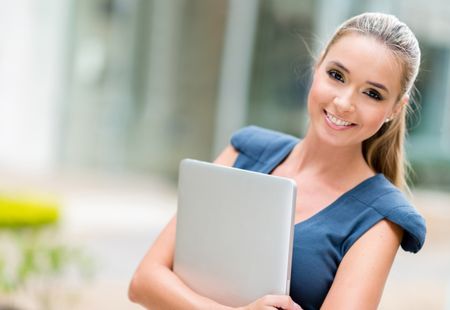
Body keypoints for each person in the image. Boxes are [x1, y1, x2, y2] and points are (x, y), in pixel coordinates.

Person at [128, 12, 426, 310]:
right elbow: (144, 282)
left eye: (372, 93)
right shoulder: (245, 152)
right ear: (317, 66)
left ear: (395, 109)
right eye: (337, 75)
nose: (344, 103)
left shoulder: (379, 217)